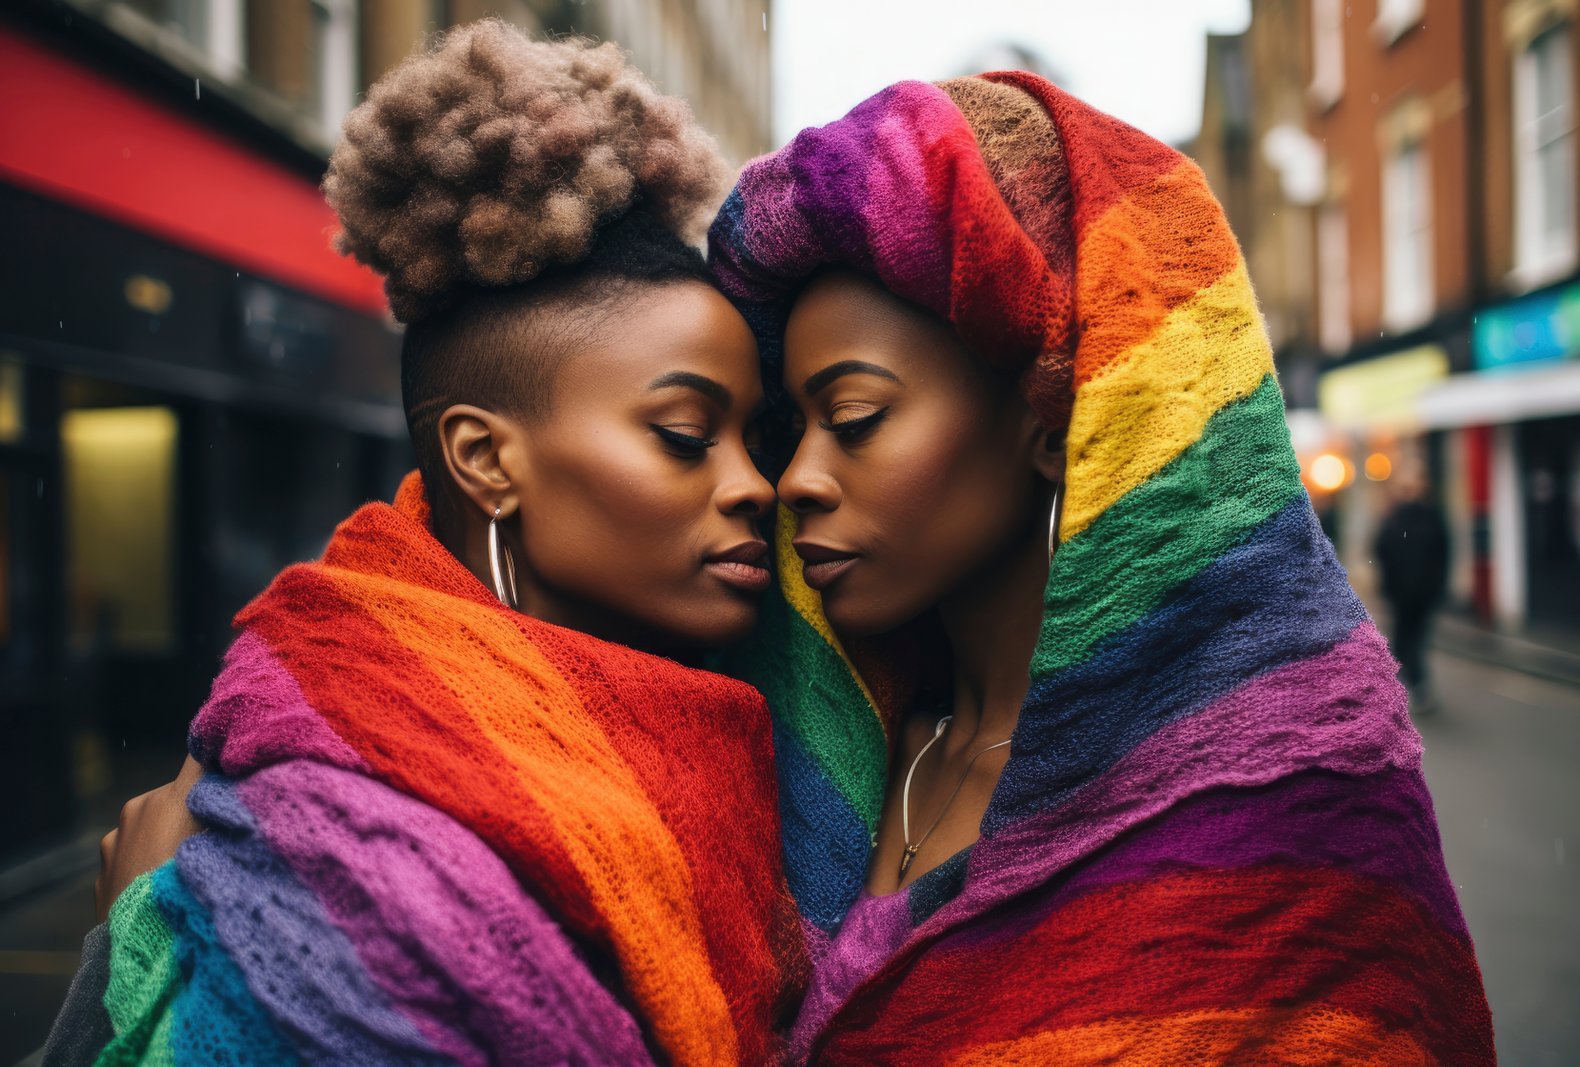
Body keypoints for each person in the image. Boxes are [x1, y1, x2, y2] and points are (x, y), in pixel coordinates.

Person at [45, 22, 805, 1065]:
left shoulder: (766, 722)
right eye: (685, 435)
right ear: (485, 458)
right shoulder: (317, 802)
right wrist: (143, 953)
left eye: (755, 440)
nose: (756, 485)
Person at [709, 73, 1496, 1063]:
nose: (797, 480)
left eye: (856, 417)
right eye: (793, 427)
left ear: (1052, 419)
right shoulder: (806, 761)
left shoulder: (1285, 800)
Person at [1374, 472, 1452, 713]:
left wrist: (1437, 586)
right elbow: (1382, 551)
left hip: (1422, 593)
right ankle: (1409, 685)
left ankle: (1412, 685)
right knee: (1404, 640)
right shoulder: (1396, 518)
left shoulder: (1429, 518)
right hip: (1401, 593)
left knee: (1414, 641)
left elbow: (1443, 554)